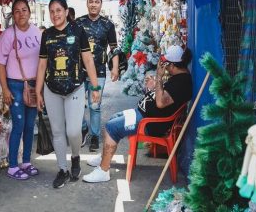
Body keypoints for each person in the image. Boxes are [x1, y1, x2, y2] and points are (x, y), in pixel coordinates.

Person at [82, 45, 193, 183]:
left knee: (112, 127)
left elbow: (160, 103)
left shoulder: (182, 82)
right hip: (142, 113)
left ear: (172, 65)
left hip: (149, 122)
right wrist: (152, 87)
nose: (164, 66)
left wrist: (158, 77)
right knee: (113, 118)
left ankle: (104, 170)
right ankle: (105, 155)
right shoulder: (179, 76)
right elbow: (162, 97)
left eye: (165, 64)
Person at [35, 0, 101, 188]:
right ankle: (62, 169)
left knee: (73, 131)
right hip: (52, 89)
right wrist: (38, 92)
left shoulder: (78, 30)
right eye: (52, 11)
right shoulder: (46, 34)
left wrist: (95, 87)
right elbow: (41, 65)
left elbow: (88, 61)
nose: (55, 14)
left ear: (65, 11)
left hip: (75, 87)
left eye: (58, 10)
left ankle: (75, 157)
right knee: (57, 131)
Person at [0, 0, 42, 180]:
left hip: (32, 85)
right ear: (12, 15)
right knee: (19, 125)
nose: (21, 14)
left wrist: (40, 88)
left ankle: (27, 162)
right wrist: (5, 89)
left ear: (29, 12)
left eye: (24, 10)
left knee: (30, 126)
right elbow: (0, 64)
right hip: (14, 85)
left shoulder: (37, 32)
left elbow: (42, 60)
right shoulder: (7, 35)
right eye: (17, 11)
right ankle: (13, 165)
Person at [75, 0, 119, 152]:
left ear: (101, 4)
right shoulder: (78, 23)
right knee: (77, 105)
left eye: (96, 2)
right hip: (79, 72)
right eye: (91, 1)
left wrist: (115, 67)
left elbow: (114, 48)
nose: (93, 4)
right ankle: (83, 128)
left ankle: (94, 136)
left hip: (99, 72)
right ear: (87, 3)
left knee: (95, 105)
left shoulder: (108, 25)